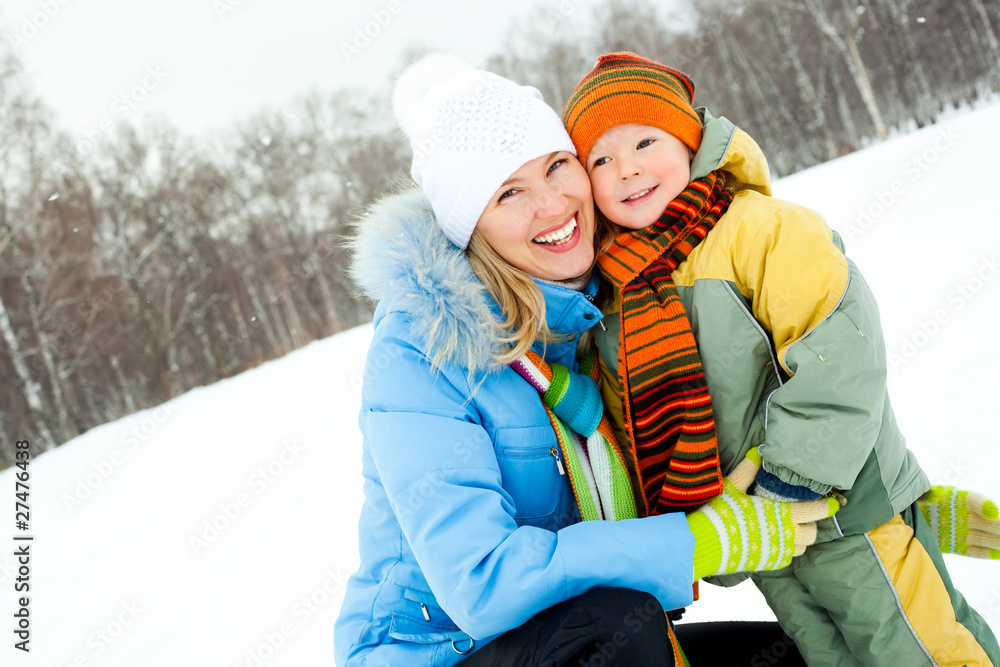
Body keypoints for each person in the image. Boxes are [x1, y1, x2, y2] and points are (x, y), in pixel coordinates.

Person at [333, 54, 839, 667]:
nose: (552, 206)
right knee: (617, 624)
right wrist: (696, 541)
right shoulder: (423, 352)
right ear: (471, 227)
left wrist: (880, 502)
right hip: (439, 651)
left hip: (564, 632)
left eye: (556, 167)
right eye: (510, 192)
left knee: (782, 656)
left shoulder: (600, 308)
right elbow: (480, 582)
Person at [560, 51, 1000, 666]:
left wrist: (789, 480)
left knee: (912, 645)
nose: (626, 169)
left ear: (691, 142)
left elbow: (838, 344)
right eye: (601, 159)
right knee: (827, 655)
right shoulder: (617, 291)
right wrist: (704, 519)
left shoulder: (758, 229)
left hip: (842, 506)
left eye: (644, 141)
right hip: (759, 533)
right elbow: (625, 416)